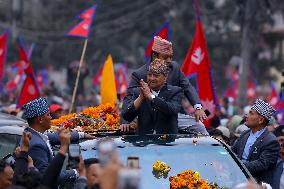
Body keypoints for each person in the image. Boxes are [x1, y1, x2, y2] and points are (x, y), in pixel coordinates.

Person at [121, 36, 206, 131]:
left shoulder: (174, 69)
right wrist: (125, 122)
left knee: (200, 126)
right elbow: (129, 99)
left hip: (172, 116)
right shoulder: (139, 74)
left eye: (171, 57)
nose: (169, 60)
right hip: (147, 117)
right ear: (154, 56)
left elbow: (187, 87)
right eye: (165, 57)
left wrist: (198, 107)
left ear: (165, 77)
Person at [21, 97, 91, 185]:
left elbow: (56, 137)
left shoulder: (34, 133)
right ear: (40, 120)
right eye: (48, 115)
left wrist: (82, 134)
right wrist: (77, 172)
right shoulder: (36, 145)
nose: (51, 118)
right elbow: (48, 177)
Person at [122, 59, 182, 135]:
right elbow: (127, 116)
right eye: (149, 75)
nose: (152, 78)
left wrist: (151, 96)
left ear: (165, 77)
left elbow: (172, 109)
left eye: (156, 75)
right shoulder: (138, 92)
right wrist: (140, 98)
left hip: (167, 143)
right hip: (144, 142)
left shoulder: (175, 91)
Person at [231, 99, 280, 186]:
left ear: (261, 120)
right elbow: (232, 152)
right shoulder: (244, 134)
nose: (246, 115)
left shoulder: (271, 141)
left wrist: (238, 166)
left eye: (251, 113)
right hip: (237, 182)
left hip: (256, 185)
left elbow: (262, 164)